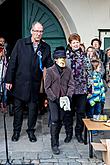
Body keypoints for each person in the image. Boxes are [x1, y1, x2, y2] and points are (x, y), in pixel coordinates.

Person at [5, 22, 53, 142]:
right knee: (18, 110)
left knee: (33, 110)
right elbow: (12, 62)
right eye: (36, 31)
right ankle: (16, 132)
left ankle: (31, 131)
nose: (38, 34)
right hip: (19, 83)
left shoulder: (45, 47)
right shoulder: (21, 43)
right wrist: (9, 80)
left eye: (41, 31)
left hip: (34, 85)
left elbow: (49, 64)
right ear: (31, 31)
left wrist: (60, 67)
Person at [44, 48, 74, 154]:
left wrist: (68, 97)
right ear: (55, 59)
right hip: (54, 99)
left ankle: (55, 137)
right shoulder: (50, 71)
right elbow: (47, 87)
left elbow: (71, 85)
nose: (63, 60)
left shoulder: (68, 71)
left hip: (65, 99)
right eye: (60, 58)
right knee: (55, 119)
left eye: (64, 58)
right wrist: (55, 99)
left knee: (61, 120)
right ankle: (54, 143)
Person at [66, 33, 92, 143]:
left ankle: (78, 133)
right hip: (69, 89)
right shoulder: (65, 56)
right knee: (68, 113)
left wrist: (90, 88)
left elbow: (89, 72)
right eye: (73, 42)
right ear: (70, 44)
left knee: (81, 112)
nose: (76, 44)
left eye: (77, 42)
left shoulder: (84, 56)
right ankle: (68, 133)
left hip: (82, 89)